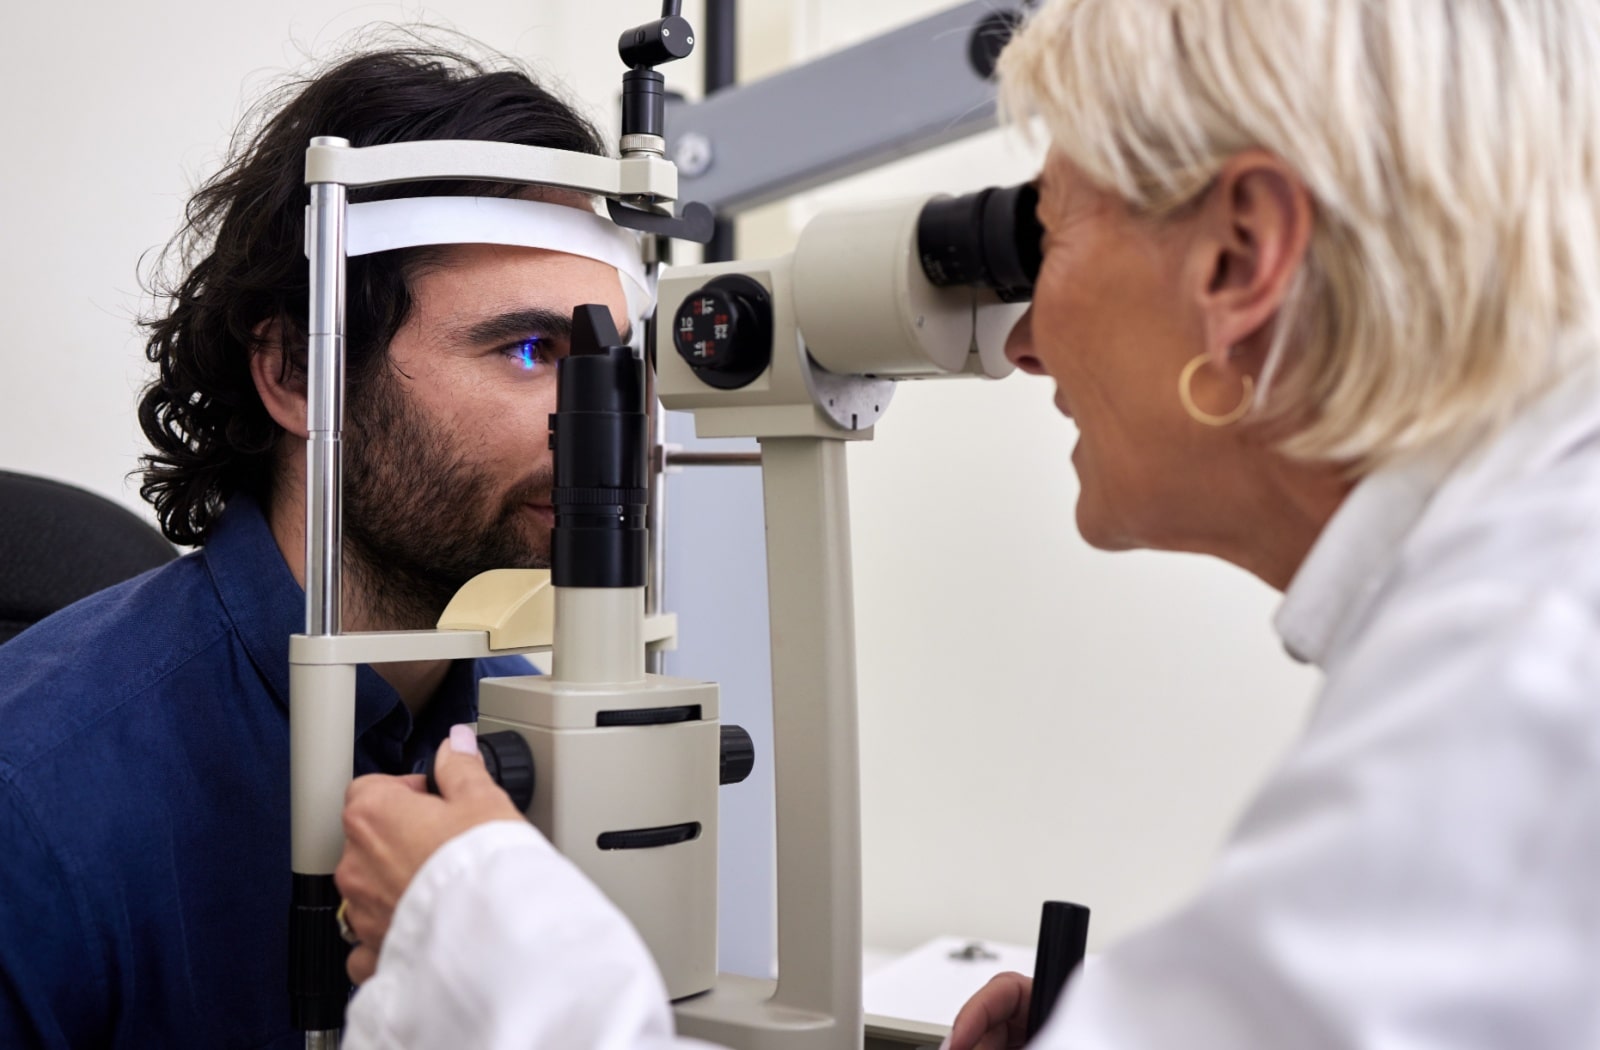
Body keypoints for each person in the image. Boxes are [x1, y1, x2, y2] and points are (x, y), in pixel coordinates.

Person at [333, 0, 1600, 1048]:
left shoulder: (1524, 703)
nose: (1028, 340)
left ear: (1239, 260)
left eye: (1045, 233)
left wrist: (485, 945)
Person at [0, 41, 639, 1048]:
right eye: (529, 351)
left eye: (616, 363)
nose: (614, 424)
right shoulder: (32, 795)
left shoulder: (550, 742)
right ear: (299, 369)